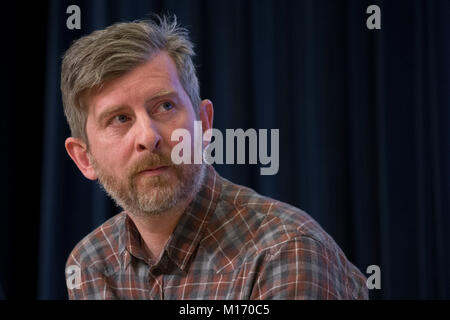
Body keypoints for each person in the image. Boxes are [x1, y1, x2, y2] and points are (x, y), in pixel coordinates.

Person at [61, 15, 368, 300]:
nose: (148, 137)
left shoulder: (286, 250)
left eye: (165, 106)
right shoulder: (90, 263)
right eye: (119, 119)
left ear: (204, 124)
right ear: (84, 158)